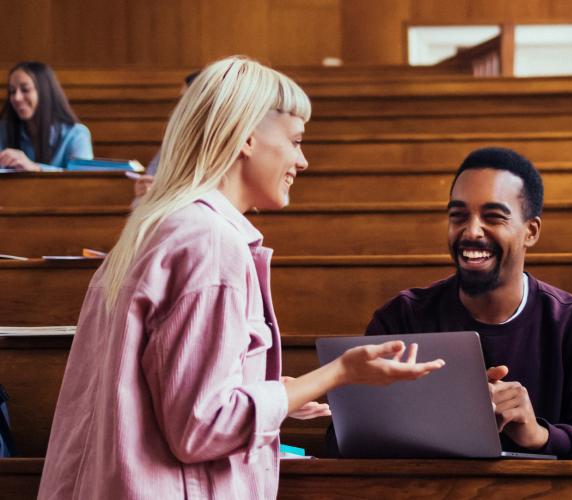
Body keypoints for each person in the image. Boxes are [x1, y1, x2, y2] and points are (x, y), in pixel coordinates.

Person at [37, 57, 444, 499]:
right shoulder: (210, 243)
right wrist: (338, 373)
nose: (302, 160)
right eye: (295, 140)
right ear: (246, 136)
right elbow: (201, 428)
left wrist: (277, 394)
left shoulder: (153, 229)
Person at [333, 147, 572, 459]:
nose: (472, 231)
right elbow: (343, 439)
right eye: (458, 216)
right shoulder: (400, 320)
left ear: (530, 232)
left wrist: (538, 435)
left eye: (493, 217)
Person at [0, 61, 92, 171]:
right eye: (12, 91)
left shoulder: (76, 134)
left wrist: (35, 168)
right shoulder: (3, 130)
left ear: (45, 92)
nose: (17, 98)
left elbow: (83, 178)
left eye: (25, 89)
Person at [132, 69, 201, 205]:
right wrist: (143, 192)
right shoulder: (173, 141)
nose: (178, 109)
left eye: (185, 100)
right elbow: (139, 200)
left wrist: (164, 192)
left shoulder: (219, 144)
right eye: (180, 100)